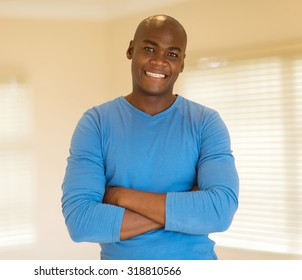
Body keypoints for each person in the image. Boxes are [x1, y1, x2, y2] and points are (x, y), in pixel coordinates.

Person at [61, 14, 239, 260]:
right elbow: (81, 222)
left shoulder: (205, 123)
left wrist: (122, 196)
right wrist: (186, 208)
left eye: (172, 54)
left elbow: (220, 211)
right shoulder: (96, 123)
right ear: (131, 50)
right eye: (149, 49)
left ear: (182, 63)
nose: (159, 61)